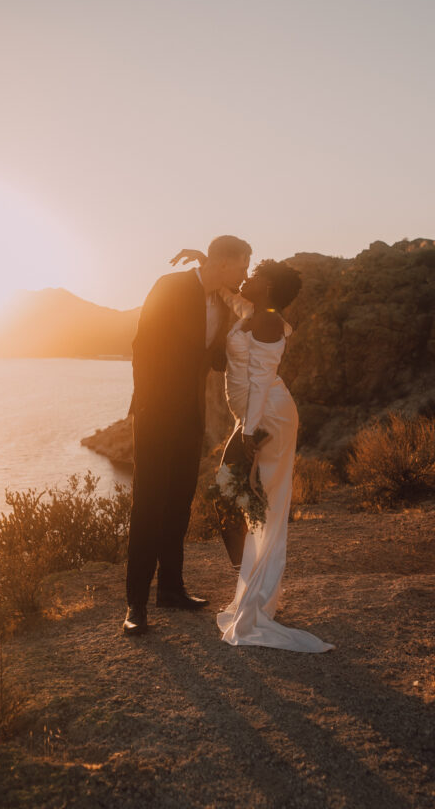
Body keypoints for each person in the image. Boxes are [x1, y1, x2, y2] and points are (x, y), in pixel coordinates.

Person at [173, 251, 335, 653]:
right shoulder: (255, 309)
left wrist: (248, 430)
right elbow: (228, 296)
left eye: (255, 274)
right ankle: (251, 584)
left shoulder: (267, 319)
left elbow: (262, 380)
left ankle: (253, 589)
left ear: (269, 288)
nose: (247, 277)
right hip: (254, 416)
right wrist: (207, 262)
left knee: (233, 494)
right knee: (249, 501)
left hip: (266, 417)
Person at [123, 235, 252, 636]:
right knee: (148, 506)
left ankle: (172, 589)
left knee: (179, 504)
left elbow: (211, 357)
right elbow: (141, 346)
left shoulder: (224, 301)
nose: (246, 274)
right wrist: (146, 406)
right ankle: (135, 605)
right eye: (243, 266)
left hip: (190, 417)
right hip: (155, 414)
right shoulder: (170, 287)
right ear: (226, 263)